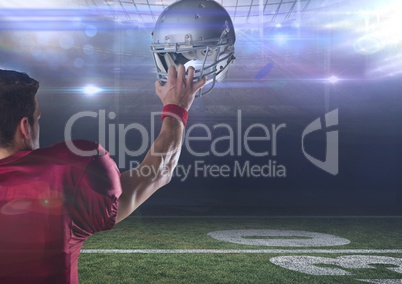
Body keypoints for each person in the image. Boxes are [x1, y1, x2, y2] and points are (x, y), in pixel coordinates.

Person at [0, 65, 205, 283]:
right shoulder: (66, 175)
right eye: (37, 119)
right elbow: (157, 171)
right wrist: (176, 108)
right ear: (25, 127)